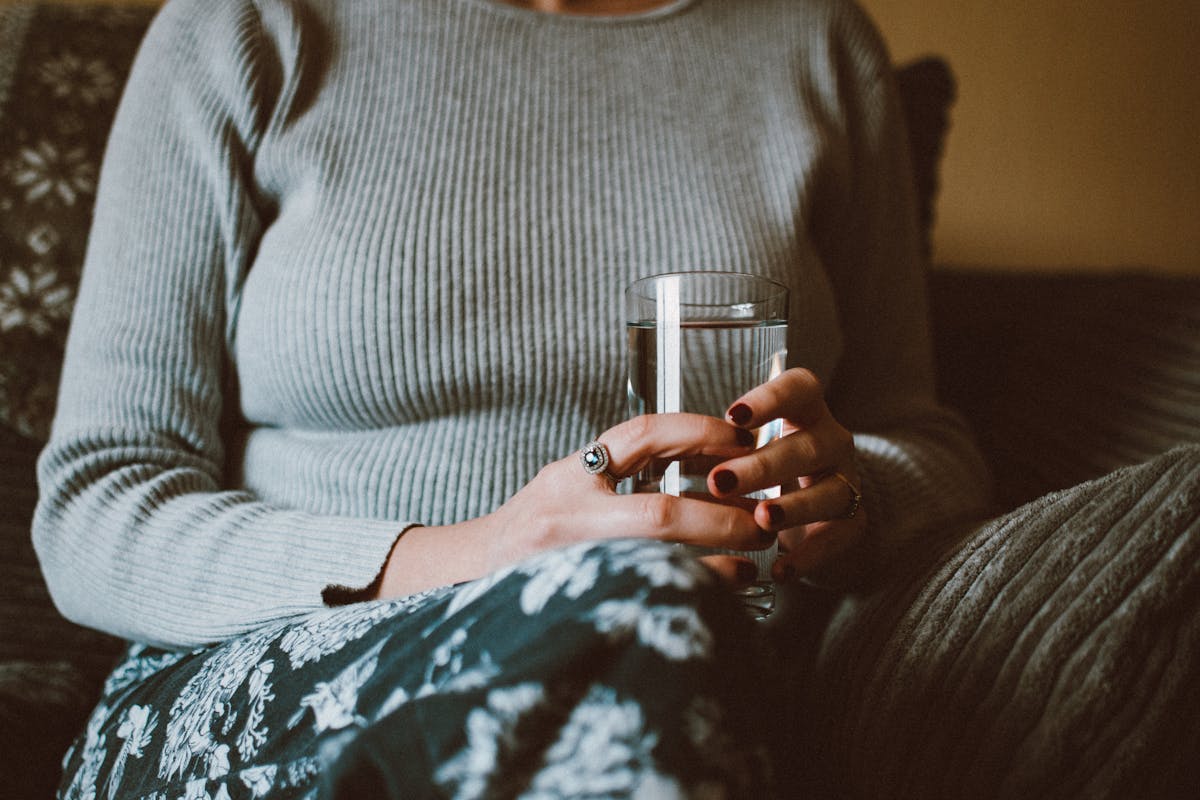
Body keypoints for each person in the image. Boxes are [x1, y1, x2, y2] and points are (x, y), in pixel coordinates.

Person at [33, 0, 1199, 797]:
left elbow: (925, 433)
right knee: (633, 606)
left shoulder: (813, 40)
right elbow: (97, 503)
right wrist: (478, 554)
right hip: (277, 670)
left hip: (704, 649)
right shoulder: (247, 27)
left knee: (653, 622)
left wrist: (855, 496)